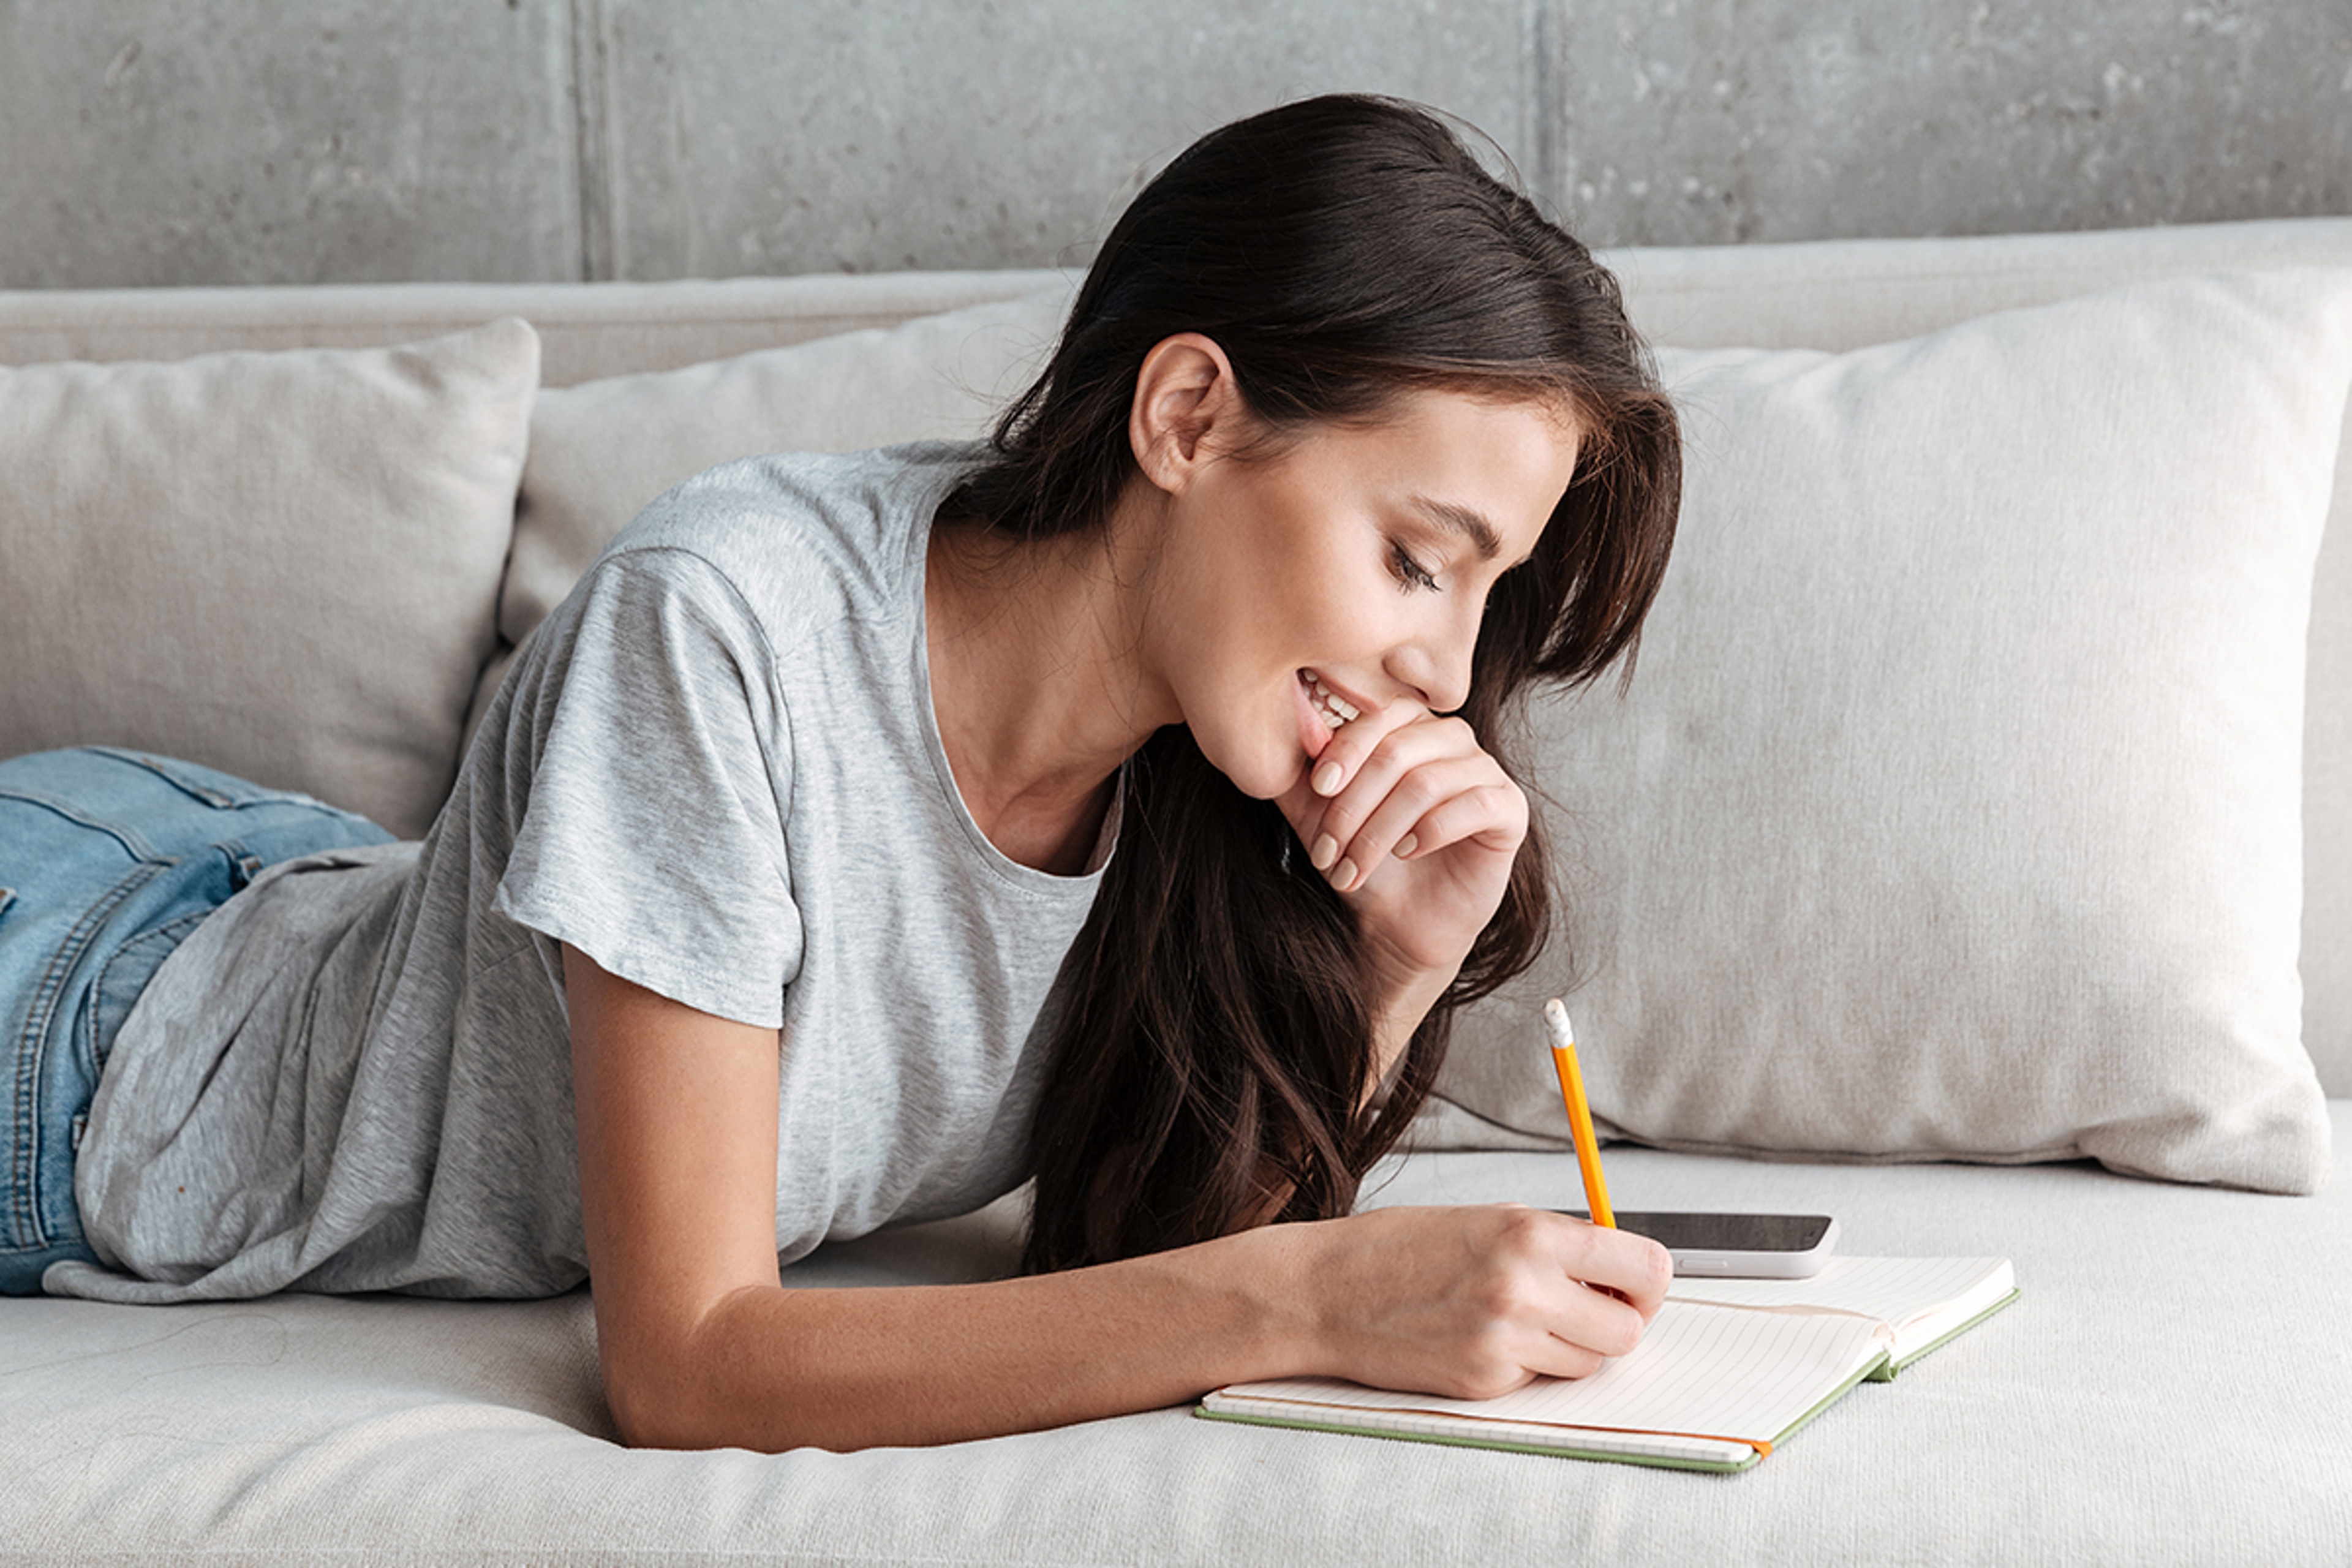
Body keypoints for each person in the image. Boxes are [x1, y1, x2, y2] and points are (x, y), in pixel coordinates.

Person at [0, 94, 1683, 1451]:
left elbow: (1144, 1285)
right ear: (1186, 417)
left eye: (1483, 593)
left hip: (280, 874)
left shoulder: (1210, 764)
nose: (1449, 676)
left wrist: (1390, 962)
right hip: (85, 1015)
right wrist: (1316, 1298)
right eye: (1414, 558)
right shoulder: (724, 628)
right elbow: (691, 1367)